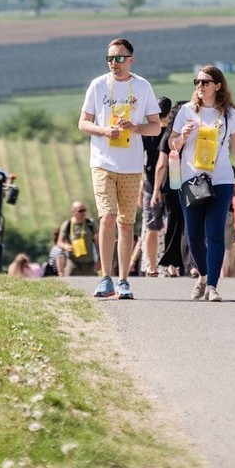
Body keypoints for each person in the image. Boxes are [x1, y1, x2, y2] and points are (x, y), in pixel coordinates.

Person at [79, 38, 163, 300]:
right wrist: (104, 130)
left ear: (131, 59)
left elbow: (156, 126)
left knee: (126, 223)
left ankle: (124, 280)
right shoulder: (97, 85)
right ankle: (106, 277)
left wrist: (135, 127)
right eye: (109, 58)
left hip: (130, 163)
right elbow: (83, 122)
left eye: (118, 58)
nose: (113, 63)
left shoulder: (142, 86)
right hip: (103, 161)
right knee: (107, 217)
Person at [169, 65, 235, 302]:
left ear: (218, 85)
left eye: (205, 82)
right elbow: (171, 145)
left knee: (214, 233)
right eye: (197, 82)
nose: (200, 86)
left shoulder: (230, 115)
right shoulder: (185, 111)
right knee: (194, 234)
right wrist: (182, 136)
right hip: (191, 177)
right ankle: (203, 275)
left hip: (221, 178)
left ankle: (213, 286)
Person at [132, 96, 174, 276]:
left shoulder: (147, 132)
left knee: (152, 227)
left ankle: (152, 266)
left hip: (151, 182)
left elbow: (138, 156)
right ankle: (172, 266)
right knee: (173, 226)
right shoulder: (174, 132)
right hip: (173, 183)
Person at [151, 100, 190, 277]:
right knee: (191, 224)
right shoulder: (193, 135)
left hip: (172, 185)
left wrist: (156, 190)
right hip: (192, 184)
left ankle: (172, 264)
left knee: (173, 224)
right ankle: (192, 263)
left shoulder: (168, 136)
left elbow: (161, 165)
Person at [58, 202, 98, 277]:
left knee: (91, 285)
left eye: (84, 210)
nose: (83, 213)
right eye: (80, 211)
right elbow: (60, 242)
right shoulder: (67, 224)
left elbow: (98, 242)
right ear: (73, 212)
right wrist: (66, 246)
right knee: (69, 283)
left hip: (89, 263)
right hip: (73, 262)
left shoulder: (90, 223)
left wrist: (99, 259)